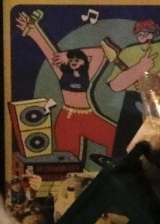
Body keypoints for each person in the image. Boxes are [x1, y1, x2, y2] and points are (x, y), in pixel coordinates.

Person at [15, 10, 116, 158]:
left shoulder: (88, 74)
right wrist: (33, 31)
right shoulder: (62, 73)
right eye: (71, 60)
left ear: (84, 62)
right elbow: (49, 52)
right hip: (68, 119)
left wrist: (68, 54)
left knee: (115, 138)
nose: (74, 62)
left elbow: (99, 52)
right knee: (67, 158)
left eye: (78, 59)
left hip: (89, 117)